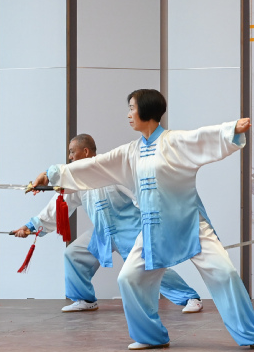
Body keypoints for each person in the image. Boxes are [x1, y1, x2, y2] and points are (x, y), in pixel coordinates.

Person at [31, 89, 254, 351]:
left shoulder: (175, 141)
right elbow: (95, 165)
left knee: (224, 273)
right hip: (151, 229)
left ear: (147, 109)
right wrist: (53, 175)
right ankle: (150, 336)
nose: (128, 114)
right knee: (129, 278)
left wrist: (230, 130)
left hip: (189, 223)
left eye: (132, 108)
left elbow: (201, 137)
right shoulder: (130, 153)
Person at [13, 134, 203, 314]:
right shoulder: (76, 179)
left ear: (85, 152)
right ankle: (85, 300)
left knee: (150, 264)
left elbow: (138, 193)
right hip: (101, 232)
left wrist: (156, 219)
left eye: (72, 152)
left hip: (130, 229)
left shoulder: (110, 169)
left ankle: (189, 298)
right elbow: (56, 206)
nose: (69, 157)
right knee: (74, 254)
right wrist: (29, 227)